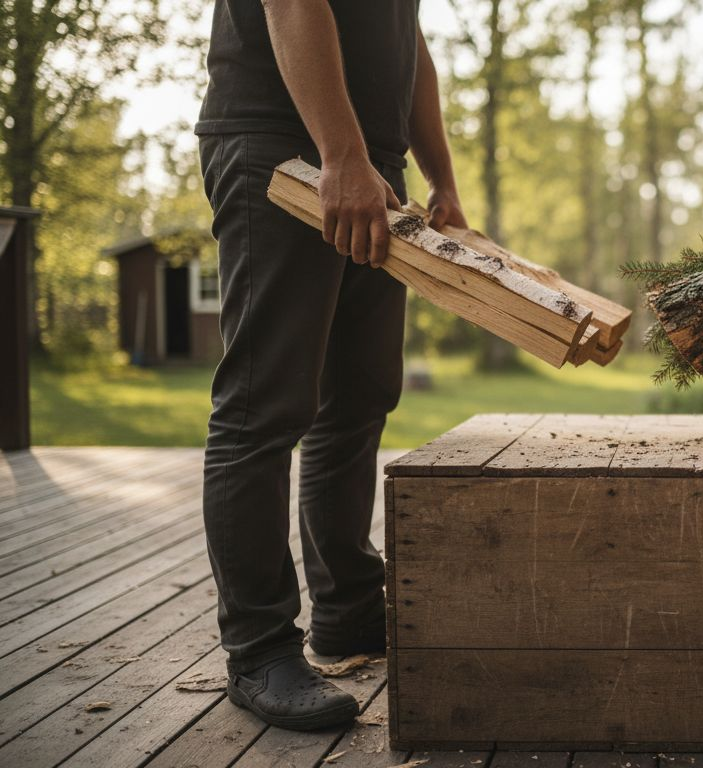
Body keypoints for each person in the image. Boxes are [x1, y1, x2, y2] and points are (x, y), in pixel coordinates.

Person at [194, 0, 467, 729]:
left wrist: (439, 176)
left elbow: (406, 35)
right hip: (282, 142)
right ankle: (259, 653)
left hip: (371, 163)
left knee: (359, 399)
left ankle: (347, 612)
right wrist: (341, 157)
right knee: (265, 405)